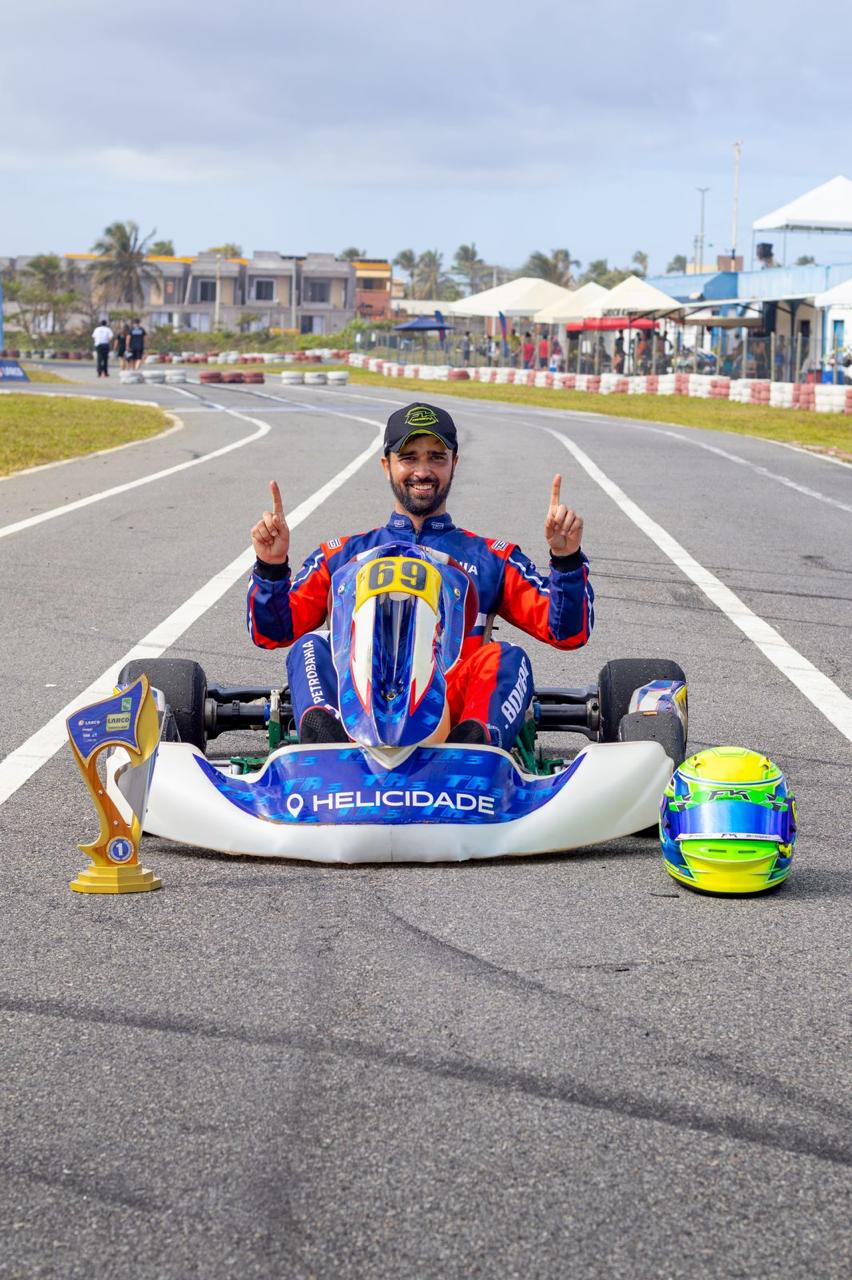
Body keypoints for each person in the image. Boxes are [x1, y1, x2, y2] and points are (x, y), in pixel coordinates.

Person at [248, 403, 594, 748]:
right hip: (356, 704)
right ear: (387, 465)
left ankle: (476, 745)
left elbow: (566, 633)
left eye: (436, 458)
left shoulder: (491, 558)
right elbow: (273, 632)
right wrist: (271, 566)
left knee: (507, 656)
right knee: (310, 646)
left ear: (454, 463)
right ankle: (325, 744)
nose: (423, 471)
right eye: (409, 458)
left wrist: (565, 559)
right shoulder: (341, 556)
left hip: (451, 712)